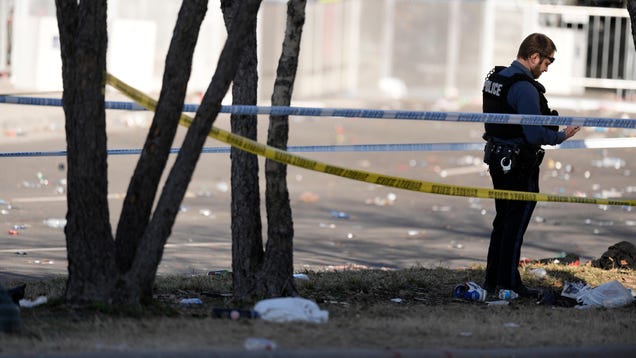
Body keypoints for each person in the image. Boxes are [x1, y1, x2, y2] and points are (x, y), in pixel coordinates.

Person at [481, 33, 580, 298]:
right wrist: (561, 135)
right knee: (515, 224)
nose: (547, 68)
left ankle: (493, 279)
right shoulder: (524, 87)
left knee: (502, 220)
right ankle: (510, 283)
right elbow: (535, 134)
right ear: (534, 56)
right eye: (547, 62)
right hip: (518, 162)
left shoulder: (497, 78)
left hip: (497, 156)